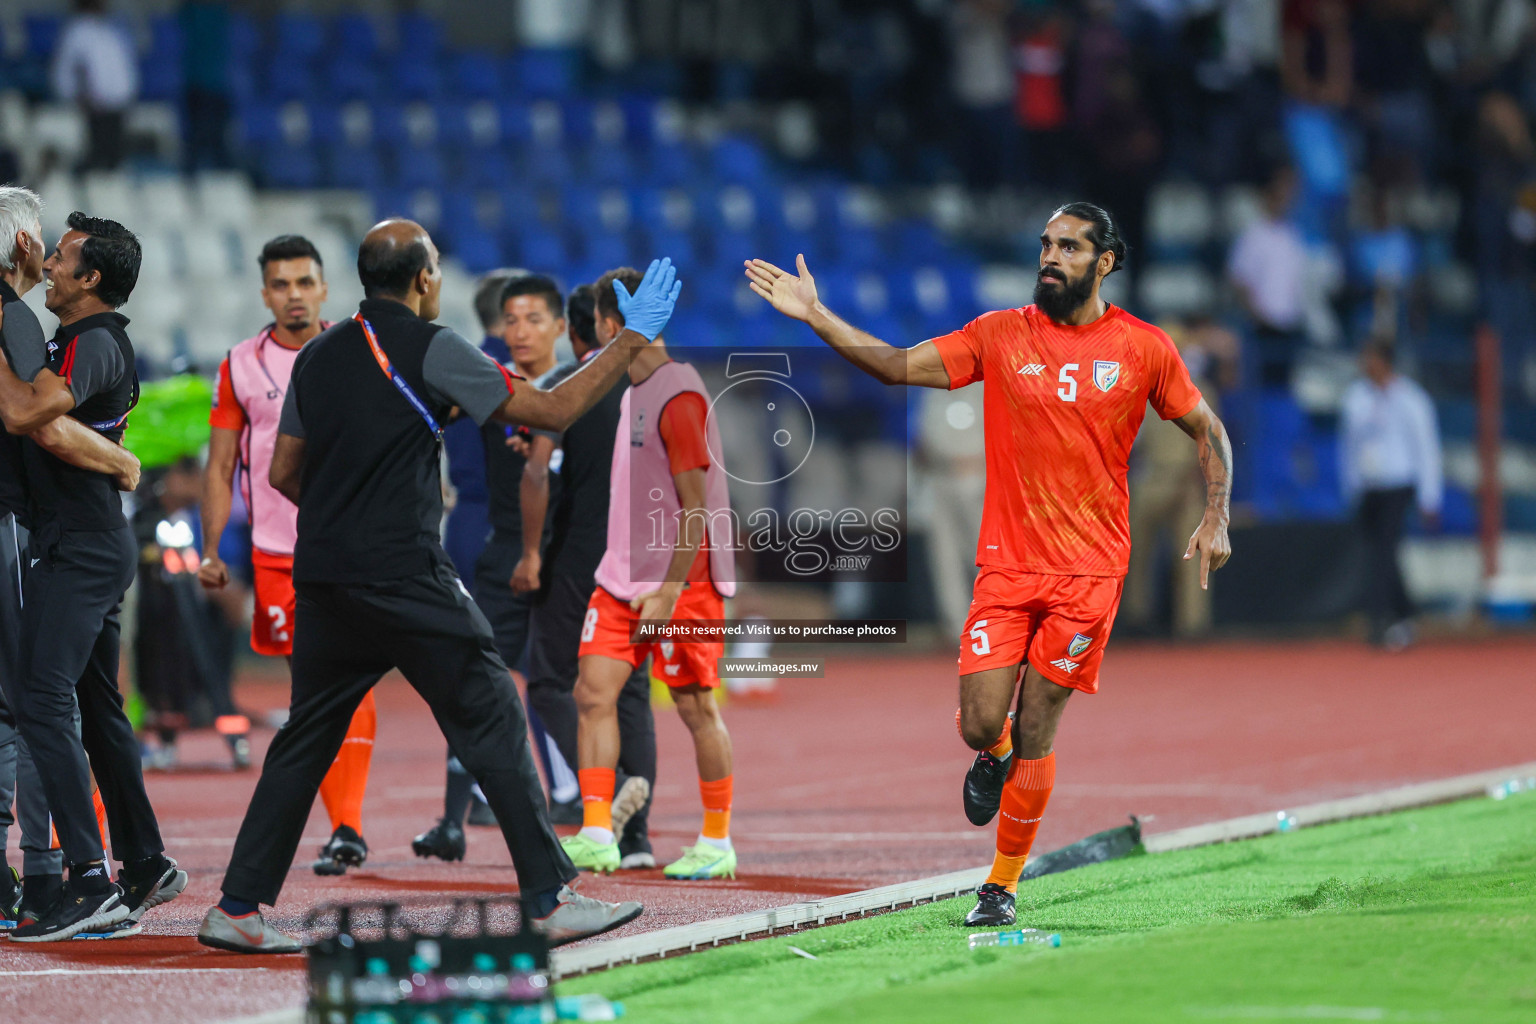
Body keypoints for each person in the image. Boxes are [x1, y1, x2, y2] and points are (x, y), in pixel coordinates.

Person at [745, 202, 1233, 928]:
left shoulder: (1144, 348)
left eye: (1068, 246)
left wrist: (1217, 512)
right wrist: (818, 316)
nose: (1050, 256)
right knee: (981, 724)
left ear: (1104, 262)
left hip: (1091, 574)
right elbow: (895, 366)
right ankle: (992, 753)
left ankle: (1000, 886)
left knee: (1040, 724)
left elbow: (1207, 428)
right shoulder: (1000, 334)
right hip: (1007, 567)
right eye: (1045, 244)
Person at [195, 223, 679, 954]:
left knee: (305, 739)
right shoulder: (436, 346)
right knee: (491, 710)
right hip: (406, 575)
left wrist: (349, 506)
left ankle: (235, 908)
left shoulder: (319, 356)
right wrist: (629, 338)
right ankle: (549, 898)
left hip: (322, 577)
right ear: (424, 279)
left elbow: (283, 475)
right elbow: (551, 410)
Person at [0, 211, 185, 942]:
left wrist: (3, 306)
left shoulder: (100, 341)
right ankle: (141, 861)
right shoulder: (73, 338)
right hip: (85, 539)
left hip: (79, 547)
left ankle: (88, 879)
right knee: (97, 708)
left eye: (61, 257)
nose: (47, 263)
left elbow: (31, 411)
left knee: (41, 700)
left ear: (92, 278)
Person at [197, 234, 382, 876]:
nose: (294, 295)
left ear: (325, 287)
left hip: (352, 545)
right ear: (264, 292)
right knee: (311, 689)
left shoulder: (362, 350)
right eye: (281, 284)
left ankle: (348, 825)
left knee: (347, 675)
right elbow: (221, 465)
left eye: (305, 282)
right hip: (277, 553)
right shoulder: (240, 365)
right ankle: (344, 823)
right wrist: (214, 548)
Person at [560, 266, 739, 881]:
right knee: (593, 693)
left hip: (681, 581)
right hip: (621, 578)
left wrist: (669, 588)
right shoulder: (634, 391)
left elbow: (697, 506)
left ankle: (717, 841)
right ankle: (594, 832)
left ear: (612, 326)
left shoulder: (678, 394)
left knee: (695, 708)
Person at [413, 273, 569, 858]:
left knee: (477, 674)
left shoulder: (455, 369)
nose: (522, 328)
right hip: (512, 527)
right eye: (516, 317)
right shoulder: (514, 375)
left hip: (467, 526)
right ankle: (571, 789)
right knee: (545, 672)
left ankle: (467, 803)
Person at [519, 284, 657, 870]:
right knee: (630, 688)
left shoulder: (565, 386)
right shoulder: (666, 386)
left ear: (594, 328)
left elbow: (537, 474)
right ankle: (640, 840)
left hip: (581, 550)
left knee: (551, 678)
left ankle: (610, 786)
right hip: (646, 556)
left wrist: (530, 553)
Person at [1339, 337, 1441, 650]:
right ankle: (1406, 613)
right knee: (1380, 552)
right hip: (1370, 486)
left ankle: (1379, 619)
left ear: (1386, 362)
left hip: (1399, 484)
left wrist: (1429, 495)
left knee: (1384, 550)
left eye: (1371, 359)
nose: (1365, 365)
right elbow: (1349, 446)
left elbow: (1426, 447)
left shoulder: (1411, 399)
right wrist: (1350, 485)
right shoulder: (1356, 398)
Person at [1227, 164, 1309, 387]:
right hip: (1263, 327)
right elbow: (1240, 280)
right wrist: (1258, 316)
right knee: (1261, 388)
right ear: (1267, 198)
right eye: (1277, 195)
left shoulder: (1293, 235)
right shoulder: (1253, 235)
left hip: (1289, 324)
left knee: (1285, 386)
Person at [51, 0, 139, 172]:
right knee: (97, 160)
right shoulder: (77, 31)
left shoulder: (107, 31)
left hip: (114, 104)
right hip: (92, 106)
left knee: (113, 160)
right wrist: (82, 96)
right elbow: (74, 68)